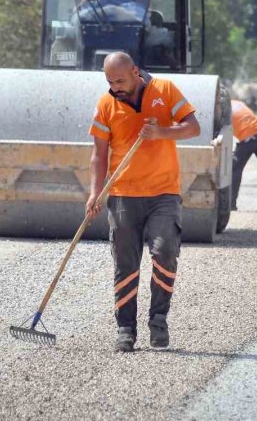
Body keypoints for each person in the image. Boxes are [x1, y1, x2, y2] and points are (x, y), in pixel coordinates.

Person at [87, 51, 200, 352]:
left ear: (135, 72)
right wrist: (95, 192)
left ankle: (158, 321)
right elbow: (99, 154)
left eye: (121, 81)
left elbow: (193, 127)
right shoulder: (106, 104)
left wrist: (162, 132)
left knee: (165, 253)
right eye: (110, 82)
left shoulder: (165, 90)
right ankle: (125, 330)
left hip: (164, 193)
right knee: (125, 263)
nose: (116, 87)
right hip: (123, 194)